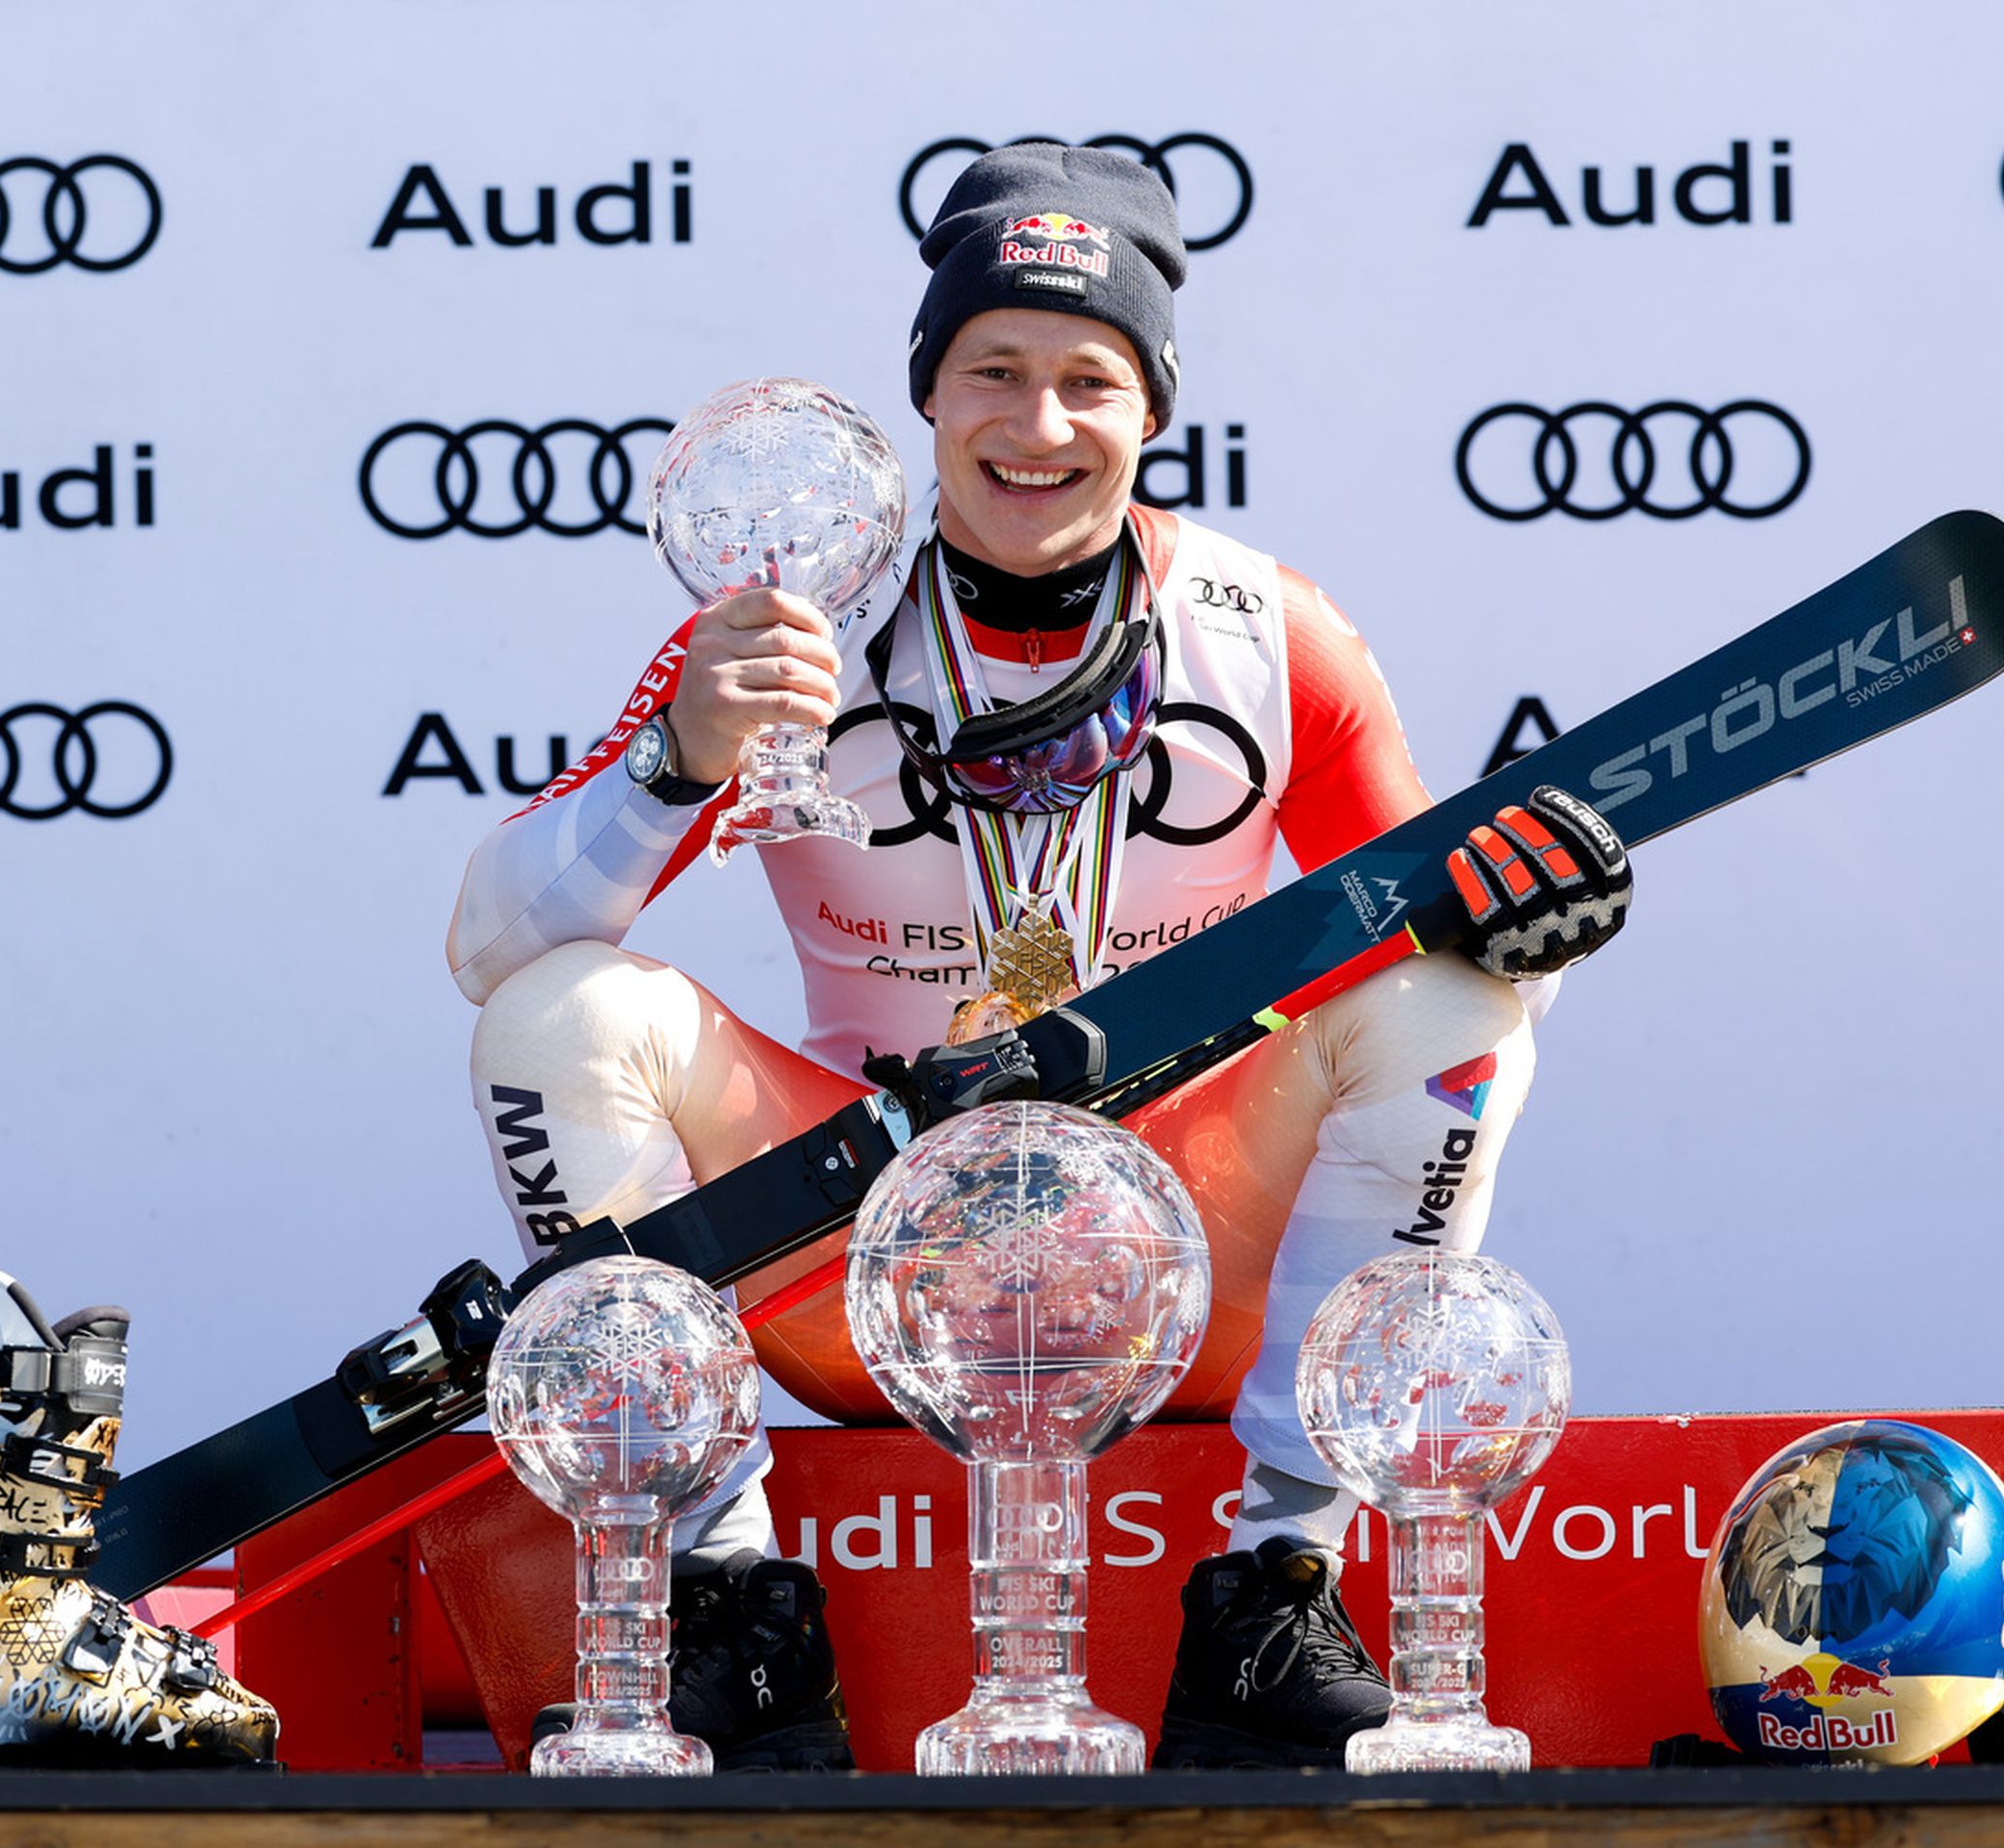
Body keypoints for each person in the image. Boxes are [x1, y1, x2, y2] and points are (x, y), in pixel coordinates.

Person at [447, 143, 1631, 1771]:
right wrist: (681, 758)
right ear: (925, 396)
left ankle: (1279, 1585)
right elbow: (494, 946)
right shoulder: (792, 619)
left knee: (1445, 996)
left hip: (1186, 1272)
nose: (1040, 423)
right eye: (993, 370)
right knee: (562, 1014)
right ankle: (729, 1603)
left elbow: (1469, 960)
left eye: (1091, 378)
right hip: (859, 1270)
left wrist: (1533, 931)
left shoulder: (1269, 628)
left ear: (1154, 410)